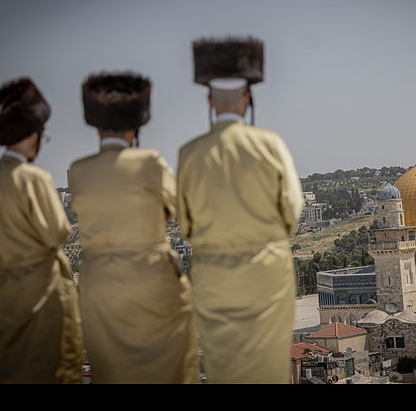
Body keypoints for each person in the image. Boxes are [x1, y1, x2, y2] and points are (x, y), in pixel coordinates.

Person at [176, 37, 304, 383]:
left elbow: (185, 224)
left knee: (223, 366)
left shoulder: (189, 153)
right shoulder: (270, 144)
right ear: (248, 99)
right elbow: (292, 209)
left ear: (209, 100)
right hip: (266, 272)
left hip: (213, 274)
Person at [68, 72, 199, 384]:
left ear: (96, 126)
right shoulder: (149, 161)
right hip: (151, 276)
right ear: (136, 126)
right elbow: (178, 209)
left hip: (99, 284)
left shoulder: (78, 171)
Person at [0, 77, 83, 384]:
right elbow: (59, 232)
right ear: (34, 136)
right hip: (47, 288)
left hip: (10, 288)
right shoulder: (36, 179)